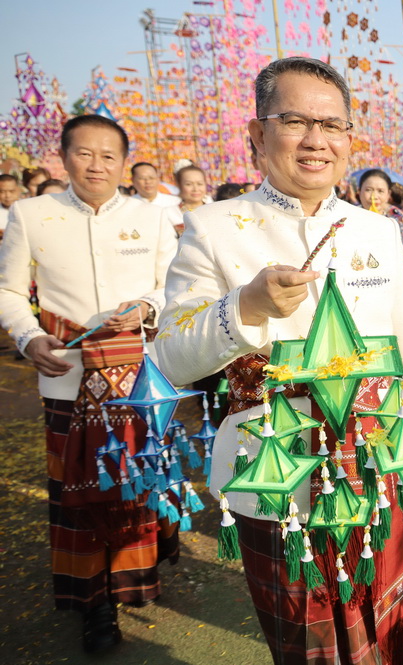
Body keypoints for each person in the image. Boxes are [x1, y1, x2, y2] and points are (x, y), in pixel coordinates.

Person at [154, 57, 403, 665]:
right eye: (294, 121)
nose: (316, 139)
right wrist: (246, 307)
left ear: (348, 140)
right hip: (274, 473)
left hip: (376, 460)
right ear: (257, 135)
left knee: (389, 622)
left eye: (331, 125)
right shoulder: (211, 228)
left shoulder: (376, 230)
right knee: (302, 636)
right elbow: (173, 359)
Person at [0, 115, 178, 654]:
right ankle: (94, 605)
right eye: (84, 153)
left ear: (124, 162)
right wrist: (28, 336)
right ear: (64, 157)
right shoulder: (31, 214)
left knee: (138, 485)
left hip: (138, 376)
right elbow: (8, 290)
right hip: (66, 376)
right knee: (76, 493)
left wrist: (148, 305)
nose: (96, 165)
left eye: (108, 155)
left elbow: (174, 286)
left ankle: (135, 580)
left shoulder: (151, 217)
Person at [357, 168, 403, 260]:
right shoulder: (350, 218)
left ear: (388, 194)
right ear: (359, 191)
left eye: (380, 191)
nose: (374, 196)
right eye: (369, 190)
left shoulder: (395, 220)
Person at [165, 165, 209, 235]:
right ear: (179, 185)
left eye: (200, 184)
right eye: (188, 184)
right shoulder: (168, 213)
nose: (196, 189)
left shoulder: (213, 210)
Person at [0, 173, 21, 239]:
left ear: (18, 190)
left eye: (11, 191)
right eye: (2, 192)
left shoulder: (27, 209)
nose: (7, 196)